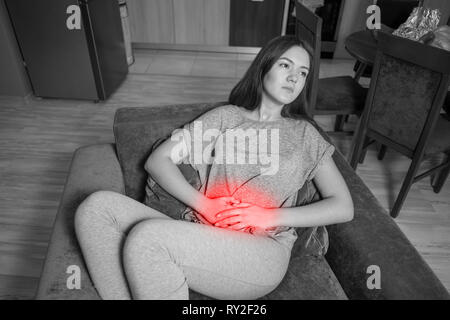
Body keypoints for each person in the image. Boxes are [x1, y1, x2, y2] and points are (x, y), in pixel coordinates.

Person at [74, 35, 354, 300]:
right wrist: (205, 205)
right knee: (95, 208)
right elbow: (158, 161)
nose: (295, 77)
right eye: (285, 65)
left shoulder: (306, 135)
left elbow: (343, 206)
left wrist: (267, 216)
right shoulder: (225, 118)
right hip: (204, 231)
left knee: (148, 238)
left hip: (262, 250)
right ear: (263, 67)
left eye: (303, 72)